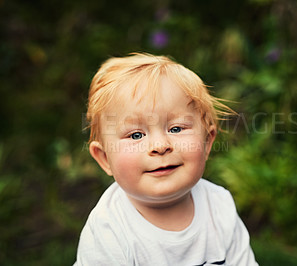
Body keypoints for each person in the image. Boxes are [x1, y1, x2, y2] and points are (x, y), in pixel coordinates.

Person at [74, 53, 258, 266]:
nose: (160, 146)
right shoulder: (109, 228)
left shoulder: (219, 206)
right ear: (105, 159)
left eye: (176, 128)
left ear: (207, 142)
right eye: (136, 135)